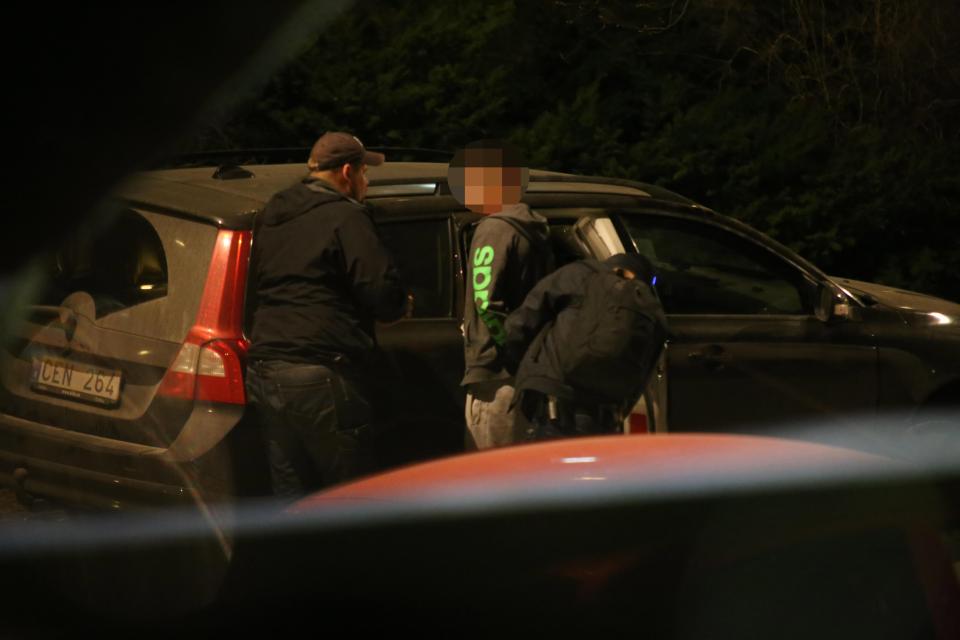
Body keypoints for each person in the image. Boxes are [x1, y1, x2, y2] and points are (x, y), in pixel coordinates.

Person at [244, 131, 408, 502]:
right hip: (320, 371)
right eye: (365, 173)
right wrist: (401, 304)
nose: (366, 182)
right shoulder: (347, 217)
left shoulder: (274, 213)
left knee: (291, 493)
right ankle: (350, 561)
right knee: (350, 495)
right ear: (347, 171)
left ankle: (299, 560)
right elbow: (381, 292)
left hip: (265, 368)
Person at [450, 140, 554, 449]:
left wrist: (506, 345)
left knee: (491, 478)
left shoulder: (493, 229)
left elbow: (485, 300)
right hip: (526, 371)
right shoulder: (534, 230)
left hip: (496, 378)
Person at [503, 253, 667, 440]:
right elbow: (641, 380)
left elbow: (520, 325)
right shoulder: (652, 310)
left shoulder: (579, 273)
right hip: (602, 421)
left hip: (553, 407)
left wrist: (521, 366)